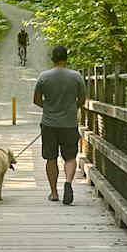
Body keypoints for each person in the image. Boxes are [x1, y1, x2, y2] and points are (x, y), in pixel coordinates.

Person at [33, 43, 87, 206]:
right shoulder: (76, 76)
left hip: (49, 124)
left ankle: (54, 192)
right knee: (70, 156)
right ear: (66, 58)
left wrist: (49, 107)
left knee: (51, 158)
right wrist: (71, 107)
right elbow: (82, 99)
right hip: (69, 123)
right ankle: (68, 183)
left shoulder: (44, 76)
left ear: (53, 59)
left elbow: (36, 100)